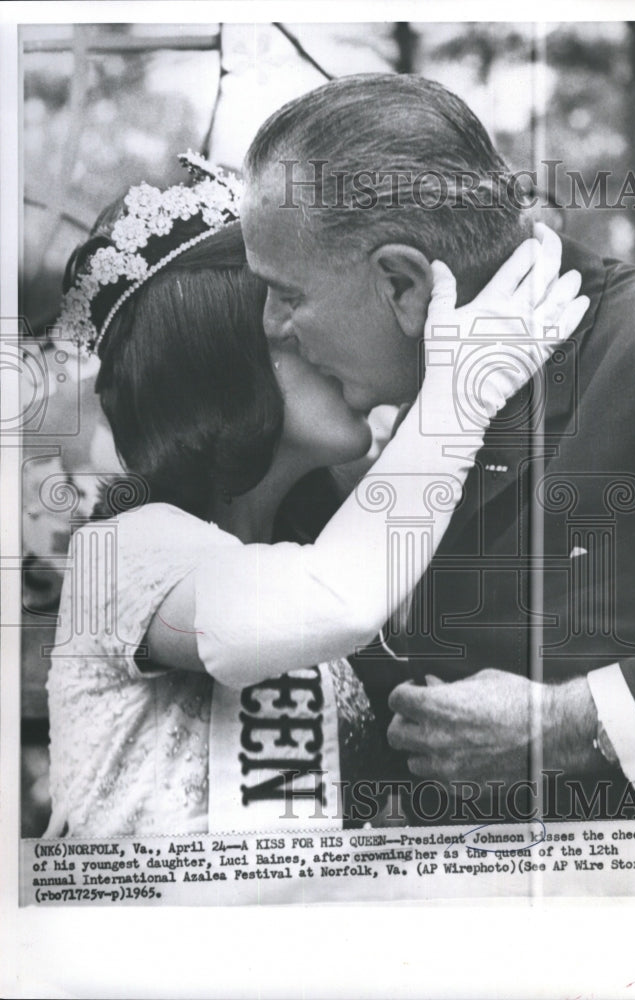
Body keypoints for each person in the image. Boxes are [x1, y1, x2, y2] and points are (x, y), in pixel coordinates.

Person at [44, 155, 587, 837]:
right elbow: (325, 601)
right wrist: (461, 393)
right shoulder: (120, 551)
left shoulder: (329, 543)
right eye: (296, 314)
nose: (340, 342)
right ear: (224, 351)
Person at [240, 73, 635, 822]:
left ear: (402, 284)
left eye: (288, 293)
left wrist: (577, 722)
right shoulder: (366, 435)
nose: (275, 326)